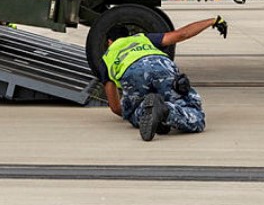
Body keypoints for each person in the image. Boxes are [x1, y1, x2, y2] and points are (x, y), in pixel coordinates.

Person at [97, 15, 228, 141]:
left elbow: (115, 107)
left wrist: (130, 112)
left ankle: (150, 112)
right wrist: (212, 21)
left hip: (132, 74)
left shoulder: (107, 58)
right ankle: (165, 112)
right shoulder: (142, 38)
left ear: (109, 42)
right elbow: (182, 34)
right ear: (128, 35)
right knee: (194, 116)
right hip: (161, 66)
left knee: (132, 113)